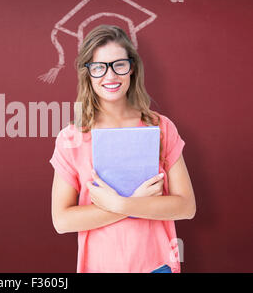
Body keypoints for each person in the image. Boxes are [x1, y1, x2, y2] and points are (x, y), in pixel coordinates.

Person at [49, 24, 196, 273]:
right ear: (88, 74)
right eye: (99, 67)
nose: (110, 76)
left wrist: (120, 204)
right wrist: (133, 204)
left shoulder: (161, 127)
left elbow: (186, 207)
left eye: (119, 64)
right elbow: (62, 221)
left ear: (132, 68)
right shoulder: (71, 138)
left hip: (156, 265)